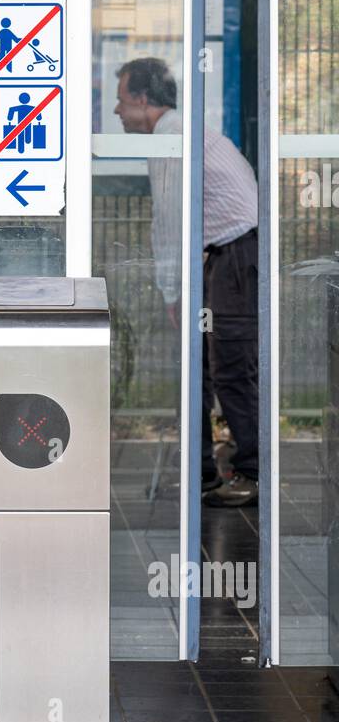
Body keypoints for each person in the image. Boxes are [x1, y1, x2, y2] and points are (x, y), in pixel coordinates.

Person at [114, 57, 259, 508]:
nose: (117, 112)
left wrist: (172, 292)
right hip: (226, 254)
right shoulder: (180, 131)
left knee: (229, 367)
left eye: (121, 101)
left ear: (142, 100)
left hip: (235, 254)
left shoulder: (171, 139)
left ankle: (253, 474)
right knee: (199, 363)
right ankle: (204, 471)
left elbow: (171, 223)